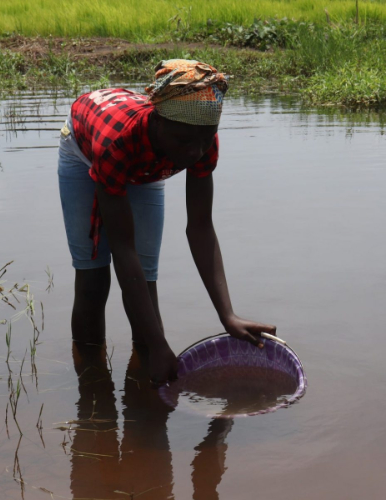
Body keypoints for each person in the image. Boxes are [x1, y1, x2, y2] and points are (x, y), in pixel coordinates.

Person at [58, 59, 276, 384]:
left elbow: (200, 227)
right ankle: (92, 384)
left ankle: (148, 383)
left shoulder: (199, 142)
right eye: (185, 142)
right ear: (158, 121)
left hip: (147, 160)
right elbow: (122, 248)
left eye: (205, 140)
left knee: (146, 278)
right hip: (85, 148)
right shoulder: (116, 146)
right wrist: (161, 344)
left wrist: (227, 315)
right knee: (92, 276)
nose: (194, 153)